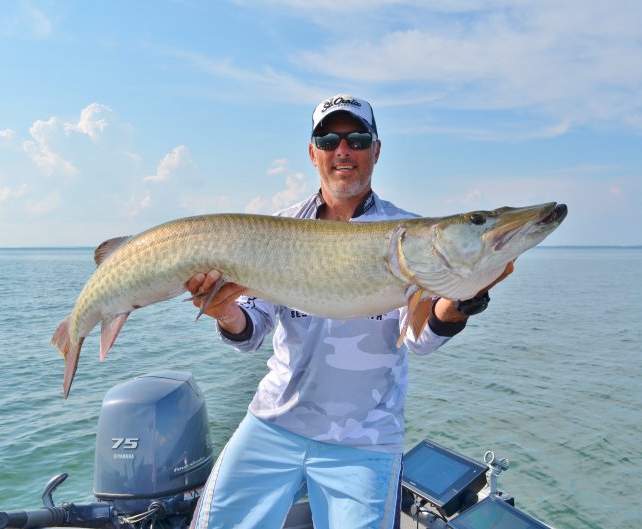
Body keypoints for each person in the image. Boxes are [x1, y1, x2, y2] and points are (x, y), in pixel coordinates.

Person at [186, 94, 513, 529]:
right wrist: (224, 312)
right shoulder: (275, 228)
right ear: (313, 152)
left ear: (376, 151)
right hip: (274, 423)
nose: (343, 150)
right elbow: (252, 331)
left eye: (357, 139)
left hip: (365, 439)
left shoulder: (410, 235)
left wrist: (462, 300)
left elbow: (419, 340)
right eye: (329, 140)